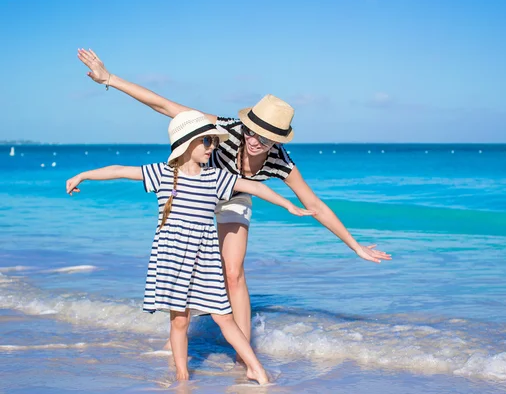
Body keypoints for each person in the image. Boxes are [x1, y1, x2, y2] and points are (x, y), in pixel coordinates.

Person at [77, 48, 392, 355]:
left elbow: (317, 206)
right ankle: (177, 338)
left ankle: (243, 349)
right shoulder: (227, 129)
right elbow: (164, 105)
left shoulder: (281, 163)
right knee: (185, 263)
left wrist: (355, 246)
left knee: (233, 271)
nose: (254, 140)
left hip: (237, 195)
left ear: (278, 141)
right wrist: (109, 79)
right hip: (195, 189)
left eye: (266, 138)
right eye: (253, 131)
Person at [65, 111, 315, 383]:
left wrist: (288, 204)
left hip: (205, 259)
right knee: (180, 321)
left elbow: (255, 188)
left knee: (224, 317)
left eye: (213, 142)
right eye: (207, 142)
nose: (213, 147)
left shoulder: (216, 178)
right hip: (172, 259)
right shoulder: (162, 173)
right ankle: (182, 377)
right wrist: (83, 175)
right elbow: (120, 171)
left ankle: (256, 369)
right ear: (188, 144)